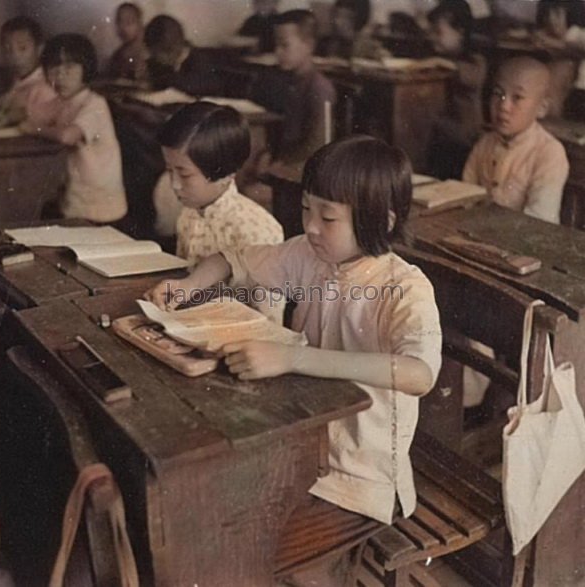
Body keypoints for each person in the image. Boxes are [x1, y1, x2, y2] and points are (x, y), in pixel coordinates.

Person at [146, 136, 442, 586]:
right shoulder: (310, 254)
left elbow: (419, 374)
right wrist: (187, 286)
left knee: (262, 555)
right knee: (211, 514)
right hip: (301, 443)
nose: (312, 226)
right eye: (307, 210)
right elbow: (232, 259)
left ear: (380, 221)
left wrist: (294, 357)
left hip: (360, 472)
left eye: (328, 217)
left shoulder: (405, 288)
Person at [150, 101, 284, 319]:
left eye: (184, 175)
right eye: (169, 170)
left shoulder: (257, 230)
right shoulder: (189, 212)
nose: (173, 184)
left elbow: (269, 320)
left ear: (224, 173)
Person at [21, 34, 127, 224]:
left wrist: (34, 129)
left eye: (69, 67)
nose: (60, 76)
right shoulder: (62, 102)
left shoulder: (94, 104)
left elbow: (68, 136)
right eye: (53, 69)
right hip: (76, 198)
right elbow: (34, 116)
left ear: (86, 68)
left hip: (102, 204)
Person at [463, 56, 569, 224]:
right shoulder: (485, 143)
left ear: (541, 108)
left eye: (517, 97)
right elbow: (465, 195)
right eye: (498, 94)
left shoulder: (549, 153)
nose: (503, 106)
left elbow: (539, 220)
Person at [264, 10, 336, 174]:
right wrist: (267, 155)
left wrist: (281, 165)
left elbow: (319, 145)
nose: (277, 52)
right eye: (276, 45)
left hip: (308, 169)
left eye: (284, 45)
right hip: (286, 161)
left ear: (309, 45)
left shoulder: (320, 87)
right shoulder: (286, 81)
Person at [426, 0, 487, 179]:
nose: (433, 37)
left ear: (460, 33)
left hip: (464, 138)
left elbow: (473, 77)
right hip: (445, 134)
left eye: (439, 32)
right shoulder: (442, 58)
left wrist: (443, 63)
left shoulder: (475, 60)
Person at [143, 15, 222, 96]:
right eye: (153, 53)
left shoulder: (199, 60)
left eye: (159, 54)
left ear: (176, 46)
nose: (157, 58)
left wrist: (168, 81)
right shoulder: (157, 63)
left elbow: (207, 85)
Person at [0, 16, 56, 126]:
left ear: (39, 49)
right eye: (7, 48)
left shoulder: (45, 87)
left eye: (22, 48)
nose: (14, 54)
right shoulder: (16, 81)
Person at [534, 0, 585, 107]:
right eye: (549, 15)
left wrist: (556, 43)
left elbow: (578, 49)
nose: (552, 20)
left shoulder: (576, 32)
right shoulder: (548, 34)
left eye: (557, 14)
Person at [317, 0, 384, 61]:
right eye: (336, 15)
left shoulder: (370, 48)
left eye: (345, 17)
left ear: (358, 20)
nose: (337, 22)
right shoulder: (324, 43)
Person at [106, 2, 148, 81]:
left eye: (129, 21)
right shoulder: (117, 56)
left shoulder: (150, 52)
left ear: (140, 23)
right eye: (119, 22)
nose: (123, 27)